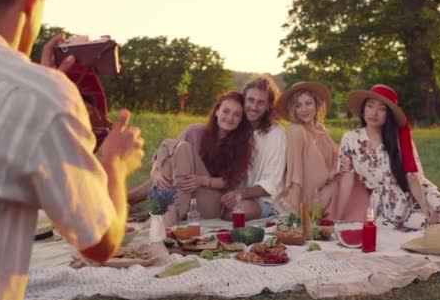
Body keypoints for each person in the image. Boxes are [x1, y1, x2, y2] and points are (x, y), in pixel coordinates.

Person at [0, 0, 144, 300]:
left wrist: (35, 77)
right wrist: (114, 163)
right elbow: (99, 242)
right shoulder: (42, 95)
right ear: (32, 0)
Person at [337, 84, 440, 231]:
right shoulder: (350, 139)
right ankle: (439, 224)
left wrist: (424, 205)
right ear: (363, 109)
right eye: (370, 106)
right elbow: (347, 180)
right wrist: (338, 217)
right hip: (390, 202)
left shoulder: (400, 139)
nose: (374, 113)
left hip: (417, 190)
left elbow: (412, 177)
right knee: (429, 224)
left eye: (382, 109)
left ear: (389, 115)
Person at [130, 92, 253, 227]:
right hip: (186, 193)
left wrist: (203, 180)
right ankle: (166, 211)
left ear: (241, 120)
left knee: (182, 147)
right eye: (226, 111)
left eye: (236, 115)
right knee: (176, 151)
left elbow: (229, 180)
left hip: (210, 202)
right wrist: (155, 172)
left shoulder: (241, 145)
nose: (230, 118)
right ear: (217, 111)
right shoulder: (196, 131)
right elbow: (167, 149)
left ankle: (164, 209)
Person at [275, 82, 369, 219]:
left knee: (350, 176)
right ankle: (342, 217)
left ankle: (348, 217)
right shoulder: (296, 131)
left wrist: (332, 172)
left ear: (316, 104)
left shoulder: (319, 129)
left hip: (324, 190)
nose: (304, 109)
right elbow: (295, 172)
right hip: (305, 198)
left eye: (308, 103)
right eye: (298, 105)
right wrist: (294, 205)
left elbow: (340, 156)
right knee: (347, 181)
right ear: (293, 109)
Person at [218, 75, 286, 221]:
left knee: (241, 210)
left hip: (261, 201)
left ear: (269, 105)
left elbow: (272, 183)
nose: (254, 107)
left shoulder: (276, 133)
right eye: (250, 100)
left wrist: (241, 194)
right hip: (230, 195)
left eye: (261, 102)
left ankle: (218, 213)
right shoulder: (235, 125)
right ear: (244, 99)